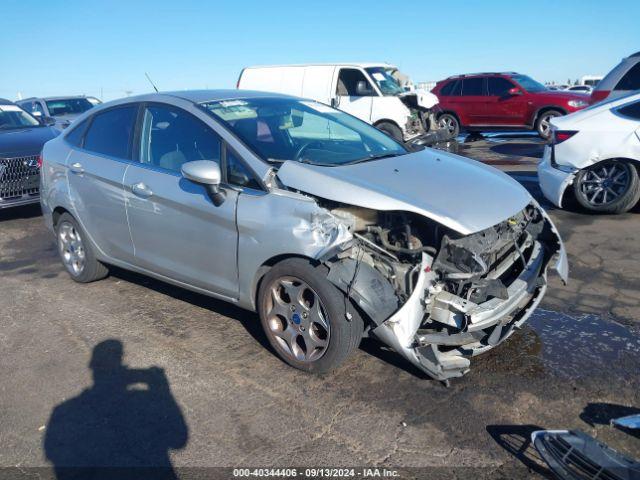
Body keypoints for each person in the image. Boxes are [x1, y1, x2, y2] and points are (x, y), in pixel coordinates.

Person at [44, 340, 188, 480]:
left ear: (92, 366)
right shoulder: (141, 398)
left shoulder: (63, 410)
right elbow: (178, 440)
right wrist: (161, 388)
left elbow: (55, 454)